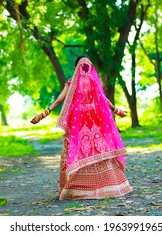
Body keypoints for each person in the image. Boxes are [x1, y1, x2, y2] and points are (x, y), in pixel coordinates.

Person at [31, 56, 131, 199]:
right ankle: (109, 185)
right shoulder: (93, 81)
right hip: (94, 122)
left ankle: (78, 189)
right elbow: (103, 99)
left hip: (78, 125)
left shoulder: (72, 83)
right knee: (100, 148)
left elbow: (59, 100)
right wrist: (117, 111)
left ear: (75, 68)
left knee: (77, 150)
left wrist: (42, 115)